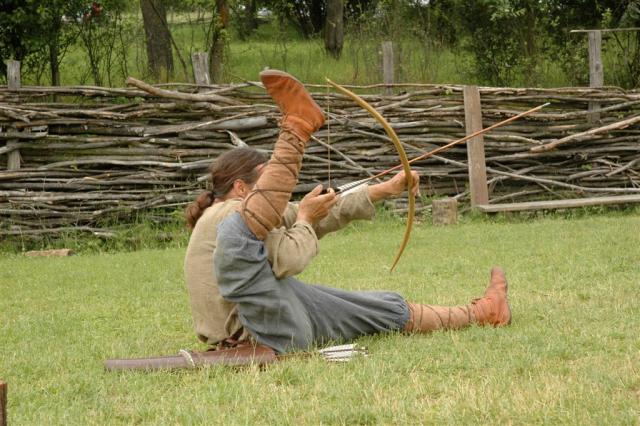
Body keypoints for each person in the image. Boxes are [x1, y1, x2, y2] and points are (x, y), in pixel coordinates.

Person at [184, 70, 511, 354]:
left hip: (275, 323)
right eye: (267, 179)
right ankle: (297, 127)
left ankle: (483, 312)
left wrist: (387, 188)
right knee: (238, 231)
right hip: (259, 335)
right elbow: (289, 258)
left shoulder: (236, 217)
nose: (274, 188)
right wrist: (306, 219)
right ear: (241, 188)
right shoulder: (226, 218)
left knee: (378, 307)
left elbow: (312, 212)